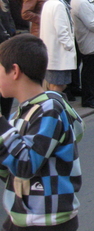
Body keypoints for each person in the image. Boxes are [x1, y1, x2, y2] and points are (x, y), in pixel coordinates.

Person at [0, 34, 84, 231]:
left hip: (48, 220)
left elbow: (26, 166)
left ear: (14, 71)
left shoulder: (50, 110)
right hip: (22, 215)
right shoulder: (22, 112)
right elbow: (10, 169)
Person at [39, 0, 76, 93]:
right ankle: (54, 107)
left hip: (52, 51)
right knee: (58, 84)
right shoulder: (58, 5)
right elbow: (62, 30)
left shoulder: (49, 3)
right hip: (59, 53)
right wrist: (69, 46)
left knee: (54, 83)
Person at [0, 0, 16, 117]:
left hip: (6, 50)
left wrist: (11, 33)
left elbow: (10, 21)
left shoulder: (3, 1)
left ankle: (5, 118)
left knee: (6, 89)